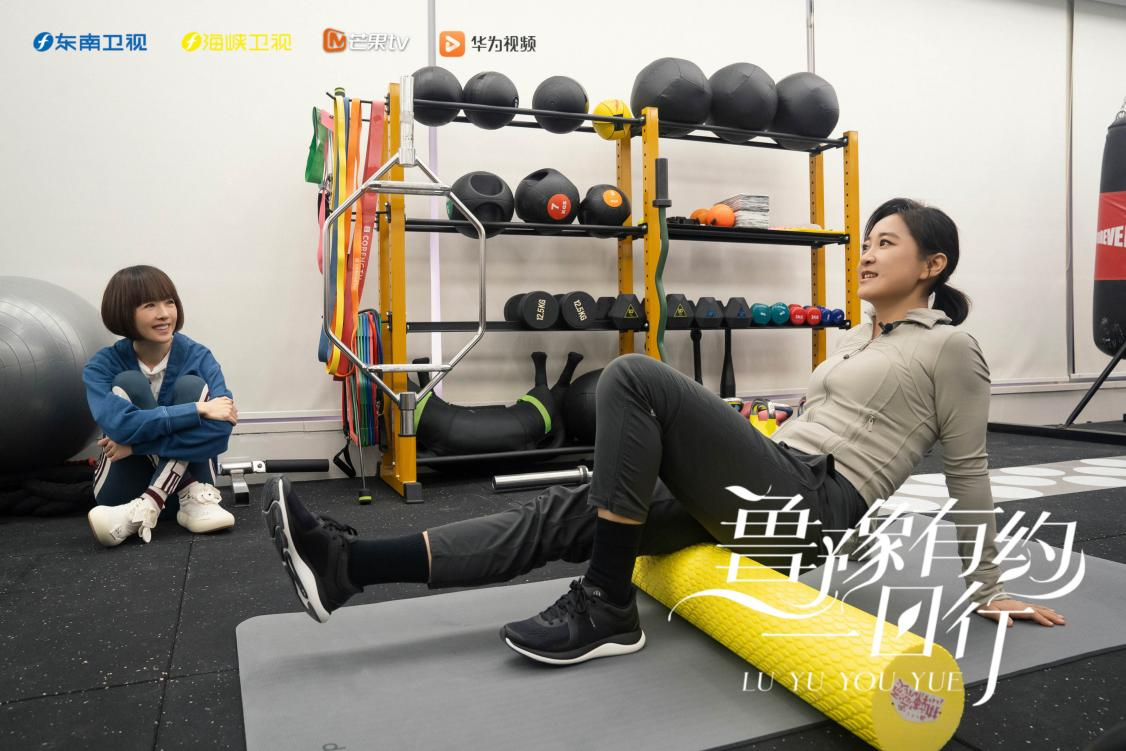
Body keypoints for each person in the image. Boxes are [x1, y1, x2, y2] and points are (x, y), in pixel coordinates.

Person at [263, 198, 1066, 667]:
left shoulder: (951, 347)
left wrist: (987, 586)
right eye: (866, 241)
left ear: (933, 264)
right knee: (566, 512)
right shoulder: (860, 342)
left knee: (634, 374)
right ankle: (350, 565)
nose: (866, 253)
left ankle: (606, 603)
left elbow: (969, 468)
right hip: (775, 477)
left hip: (811, 508)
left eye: (886, 243)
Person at [84, 265, 237, 547]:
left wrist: (135, 446)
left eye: (169, 302)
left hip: (194, 500)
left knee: (191, 386)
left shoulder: (199, 357)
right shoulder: (101, 366)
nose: (164, 314)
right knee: (129, 382)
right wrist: (196, 410)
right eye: (149, 305)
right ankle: (164, 494)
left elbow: (220, 432)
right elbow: (120, 425)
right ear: (124, 311)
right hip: (123, 491)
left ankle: (148, 505)